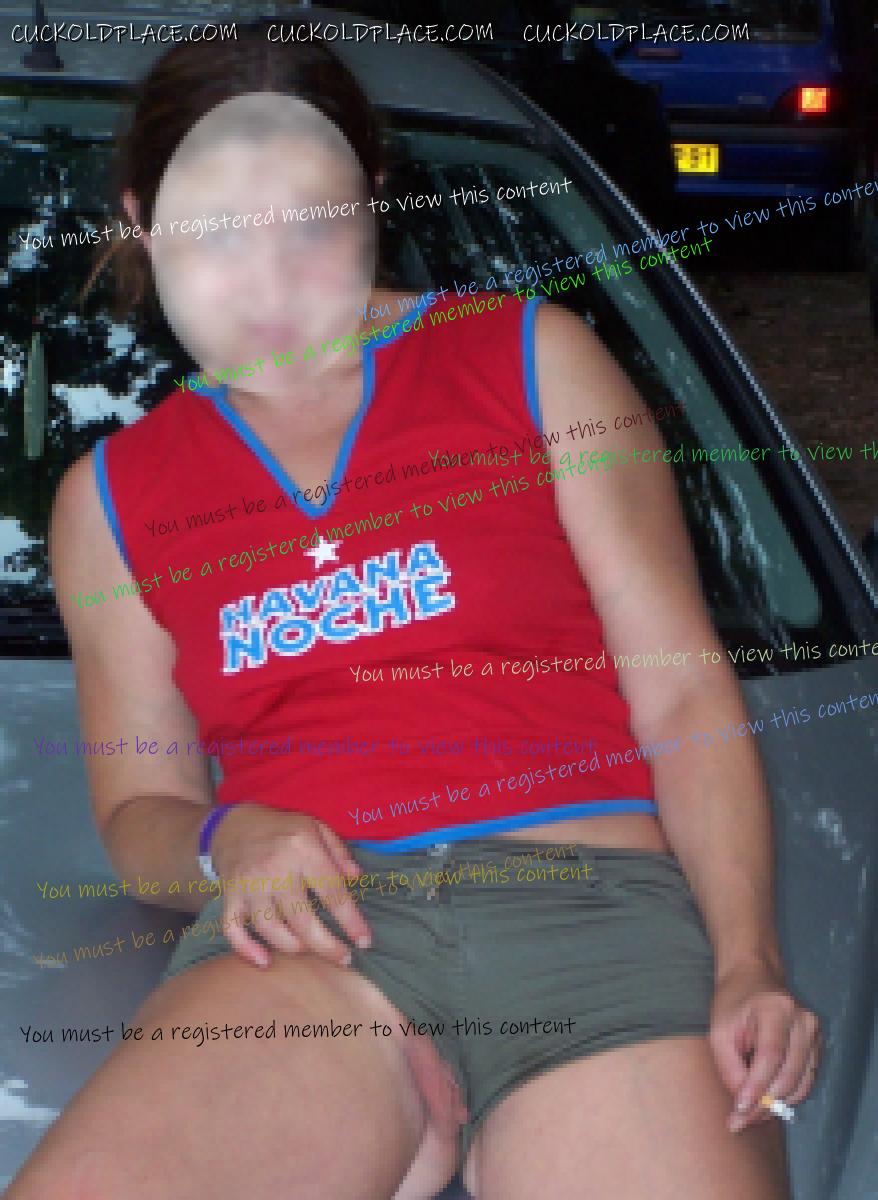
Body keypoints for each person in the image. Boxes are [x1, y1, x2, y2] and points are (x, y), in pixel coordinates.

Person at [9, 21, 819, 1200]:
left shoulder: (532, 360)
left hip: (591, 922)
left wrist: (747, 960)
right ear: (144, 218)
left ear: (370, 195)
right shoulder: (112, 498)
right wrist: (226, 838)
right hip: (307, 951)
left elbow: (683, 692)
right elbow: (139, 810)